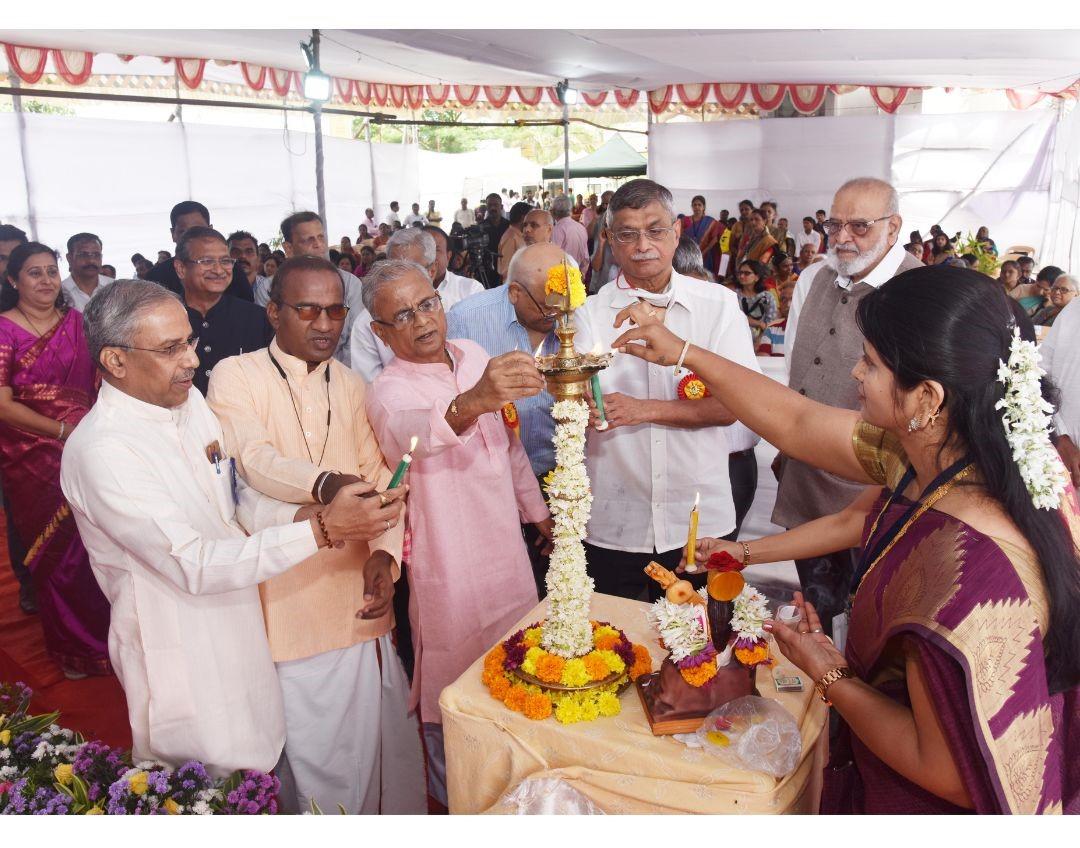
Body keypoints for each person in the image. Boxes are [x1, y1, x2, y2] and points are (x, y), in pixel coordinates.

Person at [614, 265, 1080, 814]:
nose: (856, 373)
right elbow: (800, 423)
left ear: (927, 397)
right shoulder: (972, 456)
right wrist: (684, 351)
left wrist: (826, 673)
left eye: (872, 364)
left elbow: (949, 772)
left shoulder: (966, 565)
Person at [60, 279, 400, 776]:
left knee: (263, 768)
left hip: (242, 620)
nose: (193, 361)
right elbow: (193, 562)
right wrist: (321, 530)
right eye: (171, 348)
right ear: (115, 361)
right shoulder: (104, 451)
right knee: (209, 789)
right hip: (180, 647)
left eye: (190, 341)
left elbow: (231, 502)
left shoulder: (186, 405)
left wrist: (300, 517)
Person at [206, 256, 424, 814]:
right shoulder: (237, 375)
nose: (325, 324)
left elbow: (381, 478)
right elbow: (253, 459)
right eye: (308, 310)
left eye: (335, 311)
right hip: (286, 597)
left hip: (356, 590)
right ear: (273, 312)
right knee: (313, 753)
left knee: (374, 748)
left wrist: (384, 557)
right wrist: (325, 483)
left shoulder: (351, 382)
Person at [364, 259, 552, 806]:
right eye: (402, 315)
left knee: (519, 678)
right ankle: (459, 809)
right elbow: (413, 438)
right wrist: (474, 400)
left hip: (508, 560)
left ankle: (520, 802)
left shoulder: (472, 356)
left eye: (427, 304)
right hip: (448, 568)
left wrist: (537, 513)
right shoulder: (387, 390)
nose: (422, 321)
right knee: (454, 703)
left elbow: (510, 446)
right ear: (380, 331)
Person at [572, 178, 760, 600]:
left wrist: (643, 410)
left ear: (677, 233)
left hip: (699, 517)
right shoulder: (588, 315)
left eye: (655, 230)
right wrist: (579, 406)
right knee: (616, 649)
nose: (643, 245)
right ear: (609, 240)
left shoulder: (717, 306)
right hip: (615, 521)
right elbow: (573, 405)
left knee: (703, 647)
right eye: (627, 234)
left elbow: (732, 407)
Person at [780, 177, 922, 636]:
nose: (842, 238)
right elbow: (794, 372)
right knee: (816, 615)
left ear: (893, 226)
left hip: (883, 491)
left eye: (859, 226)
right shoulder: (812, 279)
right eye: (834, 224)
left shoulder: (918, 288)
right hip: (806, 478)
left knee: (872, 625)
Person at [0, 242, 110, 677]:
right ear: (13, 281)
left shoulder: (80, 324)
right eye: (33, 273)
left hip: (90, 450)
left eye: (50, 271)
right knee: (56, 552)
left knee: (98, 544)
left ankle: (113, 640)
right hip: (31, 458)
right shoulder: (4, 331)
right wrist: (62, 432)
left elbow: (103, 380)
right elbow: (3, 405)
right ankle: (75, 649)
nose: (45, 280)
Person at [447, 242, 567, 593]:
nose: (558, 316)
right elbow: (451, 406)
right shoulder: (466, 319)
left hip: (557, 476)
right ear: (514, 292)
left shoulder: (573, 314)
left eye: (564, 303)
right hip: (491, 485)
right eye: (547, 307)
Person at [349, 227, 484, 383]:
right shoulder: (366, 322)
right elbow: (372, 388)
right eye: (394, 267)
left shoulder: (465, 297)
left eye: (411, 268)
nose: (422, 321)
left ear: (432, 270)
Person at [173, 227, 272, 395]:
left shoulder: (257, 318)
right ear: (181, 268)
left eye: (225, 261)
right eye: (206, 261)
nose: (219, 270)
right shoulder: (164, 321)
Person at [0, 224, 34, 613]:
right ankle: (29, 580)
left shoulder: (68, 318)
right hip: (16, 437)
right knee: (21, 509)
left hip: (67, 430)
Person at [279, 211, 364, 366]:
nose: (318, 245)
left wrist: (331, 377)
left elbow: (356, 342)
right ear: (289, 248)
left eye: (320, 237)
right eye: (308, 240)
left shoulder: (351, 284)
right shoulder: (272, 287)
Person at [145, 201, 253, 302]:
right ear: (173, 234)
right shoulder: (155, 279)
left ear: (211, 230)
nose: (192, 238)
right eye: (184, 233)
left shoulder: (231, 271)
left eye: (200, 231)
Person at [61, 232, 112, 311]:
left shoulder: (113, 287)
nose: (91, 261)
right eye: (83, 255)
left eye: (96, 255)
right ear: (69, 258)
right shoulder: (60, 292)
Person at [735, 260, 778, 342]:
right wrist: (758, 323)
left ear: (757, 277)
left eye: (747, 273)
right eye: (740, 273)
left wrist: (760, 340)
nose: (742, 276)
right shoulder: (733, 296)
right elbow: (734, 317)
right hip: (736, 338)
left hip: (762, 340)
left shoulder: (767, 297)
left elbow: (771, 323)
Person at [550, 195, 590, 271]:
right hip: (576, 274)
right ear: (570, 210)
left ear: (553, 211)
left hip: (562, 275)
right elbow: (586, 258)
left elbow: (553, 256)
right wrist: (582, 274)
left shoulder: (557, 229)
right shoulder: (581, 227)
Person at [227, 230, 269, 302]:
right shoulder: (216, 288)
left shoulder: (270, 289)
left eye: (249, 252)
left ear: (258, 259)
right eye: (236, 252)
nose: (243, 256)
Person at [681, 195, 717, 271]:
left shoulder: (710, 221)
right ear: (692, 207)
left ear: (703, 207)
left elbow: (714, 239)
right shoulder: (685, 220)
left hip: (705, 255)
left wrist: (703, 252)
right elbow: (680, 237)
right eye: (695, 205)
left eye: (699, 205)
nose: (697, 207)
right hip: (688, 255)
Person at [497, 202, 530, 282]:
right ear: (523, 218)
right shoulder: (511, 237)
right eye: (530, 217)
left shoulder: (519, 235)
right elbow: (506, 269)